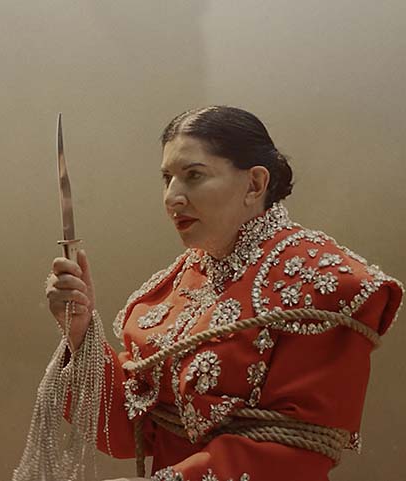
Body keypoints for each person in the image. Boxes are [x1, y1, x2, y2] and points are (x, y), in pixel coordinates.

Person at [43, 106, 403, 481]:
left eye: (193, 176)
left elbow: (297, 453)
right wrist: (80, 329)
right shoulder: (179, 281)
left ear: (255, 184)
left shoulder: (323, 283)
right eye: (167, 178)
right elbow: (130, 429)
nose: (172, 197)